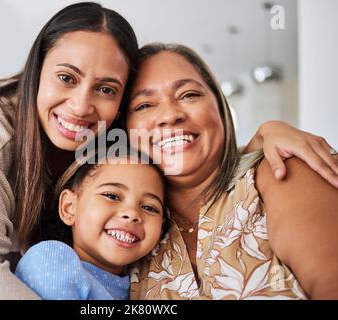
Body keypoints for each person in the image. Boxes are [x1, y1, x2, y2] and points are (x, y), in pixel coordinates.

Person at [0, 2, 337, 300]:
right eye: (66, 77)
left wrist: (262, 136)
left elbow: (193, 149)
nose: (83, 104)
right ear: (36, 73)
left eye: (106, 89)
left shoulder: (130, 149)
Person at [126, 43, 338, 300]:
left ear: (220, 106)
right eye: (144, 105)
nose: (170, 115)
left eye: (189, 94)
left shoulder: (280, 170)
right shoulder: (124, 228)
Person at [15, 148, 168, 299]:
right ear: (69, 207)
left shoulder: (147, 289)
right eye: (112, 196)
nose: (132, 214)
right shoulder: (51, 260)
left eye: (149, 207)